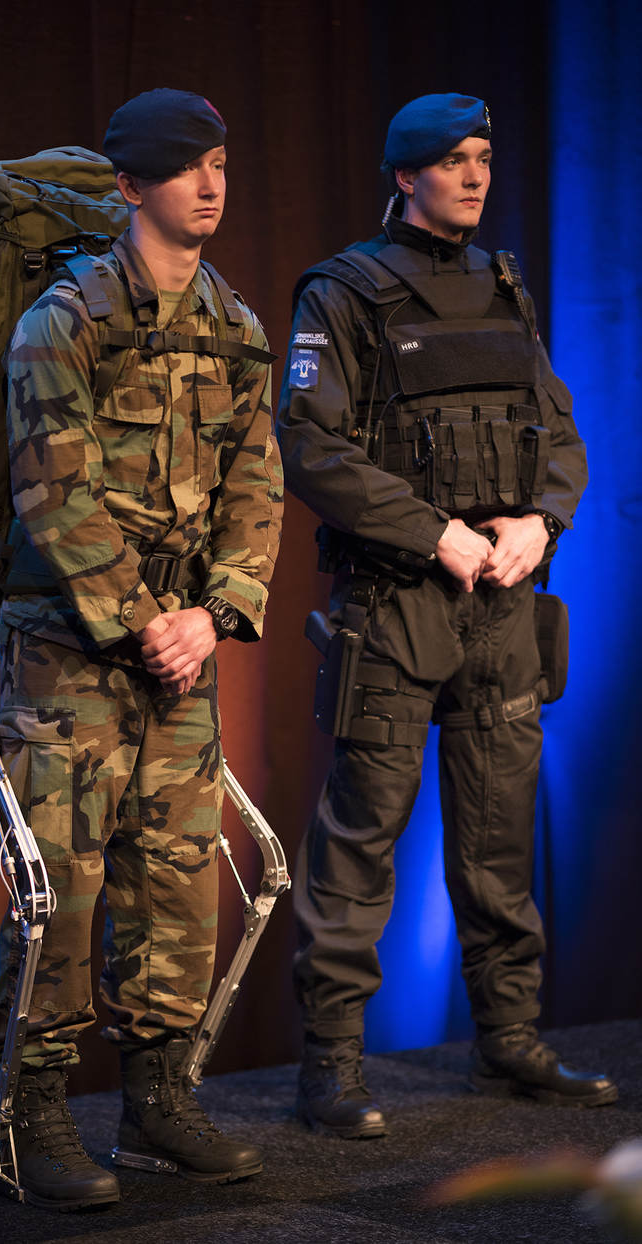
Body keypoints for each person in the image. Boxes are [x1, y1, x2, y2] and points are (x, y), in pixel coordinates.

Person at [276, 93, 616, 1140]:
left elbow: (558, 430)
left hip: (502, 607)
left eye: (483, 157)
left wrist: (540, 522)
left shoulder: (503, 286)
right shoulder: (344, 291)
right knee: (359, 842)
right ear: (404, 174)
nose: (474, 176)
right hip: (397, 604)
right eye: (452, 160)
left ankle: (507, 1037)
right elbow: (311, 446)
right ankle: (331, 1065)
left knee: (498, 839)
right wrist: (436, 535)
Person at [0, 88, 283, 1209]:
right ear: (128, 187)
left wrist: (216, 611)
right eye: (184, 166)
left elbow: (257, 481)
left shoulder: (234, 324)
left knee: (176, 875)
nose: (209, 184)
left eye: (219, 163)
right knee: (59, 883)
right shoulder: (62, 320)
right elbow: (50, 487)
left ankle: (158, 1100)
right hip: (69, 647)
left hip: (182, 649)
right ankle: (31, 1115)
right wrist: (143, 616)